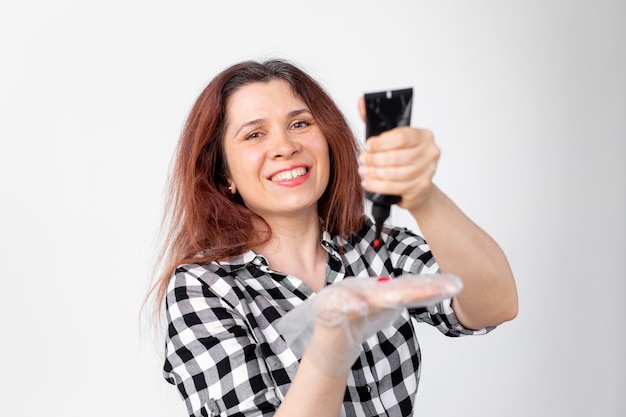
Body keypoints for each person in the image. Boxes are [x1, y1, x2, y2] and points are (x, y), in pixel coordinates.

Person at [150, 59, 518, 417]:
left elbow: (494, 305)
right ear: (223, 174)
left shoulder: (372, 245)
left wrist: (422, 195)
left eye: (300, 123)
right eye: (255, 134)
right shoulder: (202, 287)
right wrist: (332, 340)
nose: (286, 145)